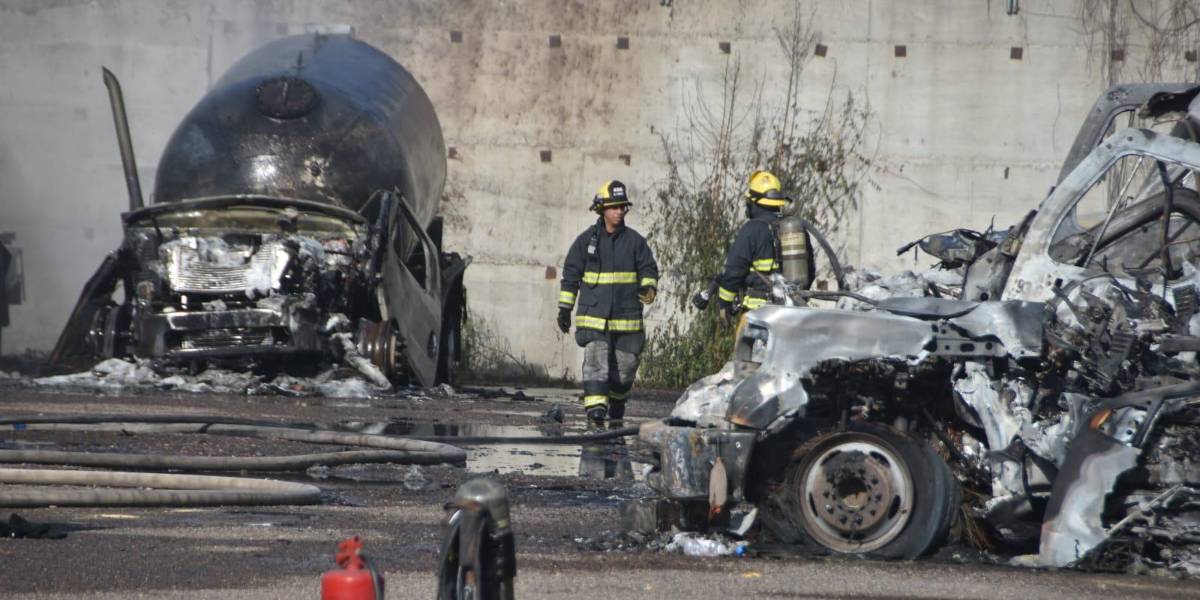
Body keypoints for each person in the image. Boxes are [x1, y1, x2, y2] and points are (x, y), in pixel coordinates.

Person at [557, 180, 659, 423]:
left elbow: (648, 269)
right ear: (601, 209)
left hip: (627, 320)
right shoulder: (585, 243)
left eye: (622, 207)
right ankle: (595, 411)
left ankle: (616, 407)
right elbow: (571, 275)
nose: (619, 211)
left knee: (623, 372)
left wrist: (648, 287)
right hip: (595, 319)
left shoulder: (635, 242)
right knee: (596, 362)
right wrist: (564, 309)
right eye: (614, 207)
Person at [714, 170, 814, 314]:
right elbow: (809, 270)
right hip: (792, 312)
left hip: (759, 314)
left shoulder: (751, 230)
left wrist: (724, 304)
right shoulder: (795, 229)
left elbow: (734, 272)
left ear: (754, 203)